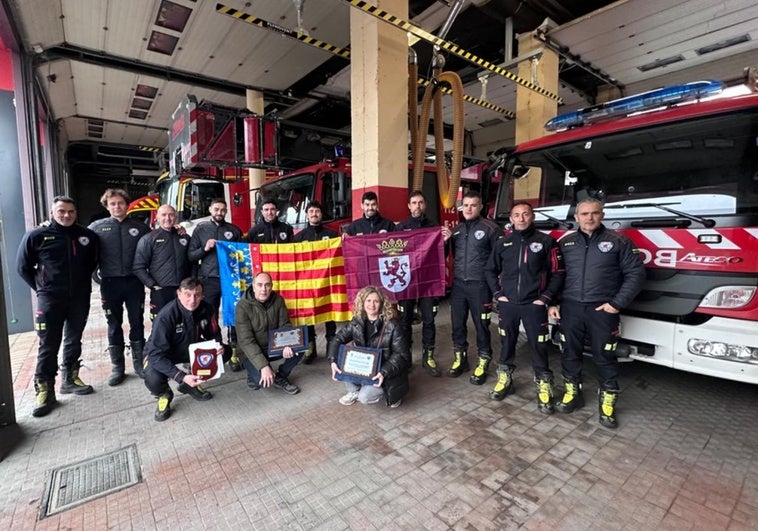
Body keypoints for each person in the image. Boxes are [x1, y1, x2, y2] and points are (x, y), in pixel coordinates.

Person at [548, 198, 645, 428]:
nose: (589, 218)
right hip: (570, 308)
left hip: (602, 310)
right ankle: (573, 394)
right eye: (584, 214)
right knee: (569, 352)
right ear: (576, 217)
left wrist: (617, 303)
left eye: (594, 213)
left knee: (605, 356)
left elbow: (636, 274)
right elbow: (556, 275)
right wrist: (552, 302)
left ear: (602, 215)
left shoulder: (618, 241)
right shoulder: (566, 242)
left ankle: (607, 403)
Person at [17, 196, 99, 417]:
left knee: (74, 339)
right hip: (50, 299)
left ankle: (70, 379)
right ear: (52, 213)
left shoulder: (87, 236)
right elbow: (23, 267)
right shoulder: (37, 236)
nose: (66, 215)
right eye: (61, 211)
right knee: (48, 344)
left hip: (79, 298)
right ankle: (44, 390)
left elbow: (92, 263)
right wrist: (42, 289)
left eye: (71, 211)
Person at [485, 201, 565, 411]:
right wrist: (498, 294)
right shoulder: (503, 243)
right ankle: (505, 379)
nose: (521, 218)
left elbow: (558, 273)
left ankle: (544, 385)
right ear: (511, 219)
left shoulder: (547, 242)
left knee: (538, 346)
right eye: (516, 215)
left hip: (534, 305)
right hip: (508, 305)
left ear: (532, 217)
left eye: (525, 214)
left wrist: (546, 298)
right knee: (507, 343)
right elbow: (490, 270)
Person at [143, 278, 229, 422]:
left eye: (197, 295)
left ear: (202, 295)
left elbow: (213, 334)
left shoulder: (207, 309)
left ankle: (192, 385)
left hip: (190, 348)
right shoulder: (166, 316)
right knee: (152, 377)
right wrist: (180, 376)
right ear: (179, 293)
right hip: (163, 353)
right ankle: (164, 394)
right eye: (187, 294)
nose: (192, 300)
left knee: (225, 352)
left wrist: (218, 346)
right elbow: (155, 355)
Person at [89, 189, 150, 385]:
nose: (117, 207)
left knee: (137, 322)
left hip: (134, 282)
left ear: (127, 204)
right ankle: (118, 367)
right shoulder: (96, 228)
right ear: (107, 206)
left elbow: (156, 245)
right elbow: (77, 241)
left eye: (121, 203)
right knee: (113, 324)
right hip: (109, 283)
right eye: (113, 203)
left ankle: (139, 363)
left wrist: (179, 230)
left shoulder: (140, 228)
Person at [445, 190, 502, 380]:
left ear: (481, 207)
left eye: (473, 205)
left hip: (480, 287)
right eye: (466, 205)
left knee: (481, 325)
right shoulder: (457, 230)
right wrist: (445, 241)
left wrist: (496, 286)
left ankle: (484, 359)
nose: (469, 208)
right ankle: (460, 357)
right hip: (459, 286)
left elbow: (500, 258)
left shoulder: (491, 229)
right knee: (457, 324)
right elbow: (445, 255)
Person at [327, 286, 409, 407]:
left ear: (381, 304)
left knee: (364, 397)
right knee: (341, 358)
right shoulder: (357, 321)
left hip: (384, 372)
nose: (372, 305)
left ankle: (390, 395)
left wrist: (383, 372)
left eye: (376, 301)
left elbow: (401, 355)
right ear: (363, 302)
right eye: (368, 301)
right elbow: (337, 339)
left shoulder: (392, 325)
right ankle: (354, 390)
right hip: (364, 368)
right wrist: (333, 361)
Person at [187, 198, 244, 371]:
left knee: (233, 315)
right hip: (209, 280)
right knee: (208, 316)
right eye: (216, 209)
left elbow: (242, 256)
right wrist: (205, 248)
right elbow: (191, 256)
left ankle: (234, 351)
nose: (220, 212)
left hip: (231, 281)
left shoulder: (233, 230)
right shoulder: (201, 229)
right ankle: (213, 350)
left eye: (223, 210)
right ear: (210, 209)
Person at [395, 190, 442, 376]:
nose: (417, 206)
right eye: (414, 203)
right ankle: (405, 356)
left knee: (429, 321)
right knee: (404, 322)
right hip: (405, 282)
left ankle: (428, 356)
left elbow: (442, 255)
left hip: (428, 282)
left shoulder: (434, 227)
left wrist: (445, 240)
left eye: (420, 202)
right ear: (409, 206)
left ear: (425, 205)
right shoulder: (401, 227)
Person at [235, 272, 302, 394]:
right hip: (249, 350)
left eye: (267, 285)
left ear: (271, 286)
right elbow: (246, 341)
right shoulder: (242, 306)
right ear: (253, 286)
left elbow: (285, 325)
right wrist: (263, 366)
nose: (263, 289)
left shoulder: (278, 300)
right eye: (259, 285)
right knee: (261, 382)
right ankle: (254, 372)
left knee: (300, 348)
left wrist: (287, 344)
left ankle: (281, 376)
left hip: (273, 346)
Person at [293, 201, 339, 364]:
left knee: (330, 315)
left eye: (317, 211)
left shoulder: (334, 236)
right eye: (311, 211)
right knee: (308, 316)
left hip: (328, 283)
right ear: (307, 214)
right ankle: (310, 347)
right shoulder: (298, 238)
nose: (314, 214)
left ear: (321, 214)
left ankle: (332, 348)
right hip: (307, 284)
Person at [133, 204, 191, 320]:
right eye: (163, 215)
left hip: (184, 290)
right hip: (161, 291)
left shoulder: (185, 237)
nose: (167, 218)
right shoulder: (148, 239)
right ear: (157, 218)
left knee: (185, 324)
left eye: (171, 215)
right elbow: (138, 267)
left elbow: (192, 261)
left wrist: (191, 283)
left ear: (176, 217)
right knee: (161, 326)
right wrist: (153, 285)